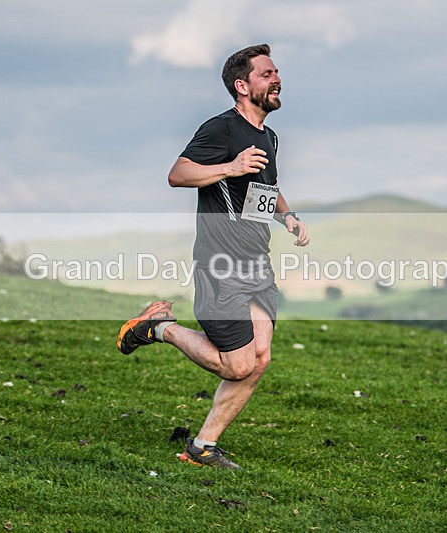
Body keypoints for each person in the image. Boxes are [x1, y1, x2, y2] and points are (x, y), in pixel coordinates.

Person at [117, 43, 310, 470]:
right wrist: (230, 167)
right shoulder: (221, 130)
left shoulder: (269, 136)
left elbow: (264, 189)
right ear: (242, 86)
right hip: (220, 262)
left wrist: (288, 217)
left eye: (277, 73)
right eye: (266, 74)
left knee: (260, 358)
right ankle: (159, 327)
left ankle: (202, 447)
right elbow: (178, 174)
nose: (277, 79)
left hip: (256, 263)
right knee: (238, 364)